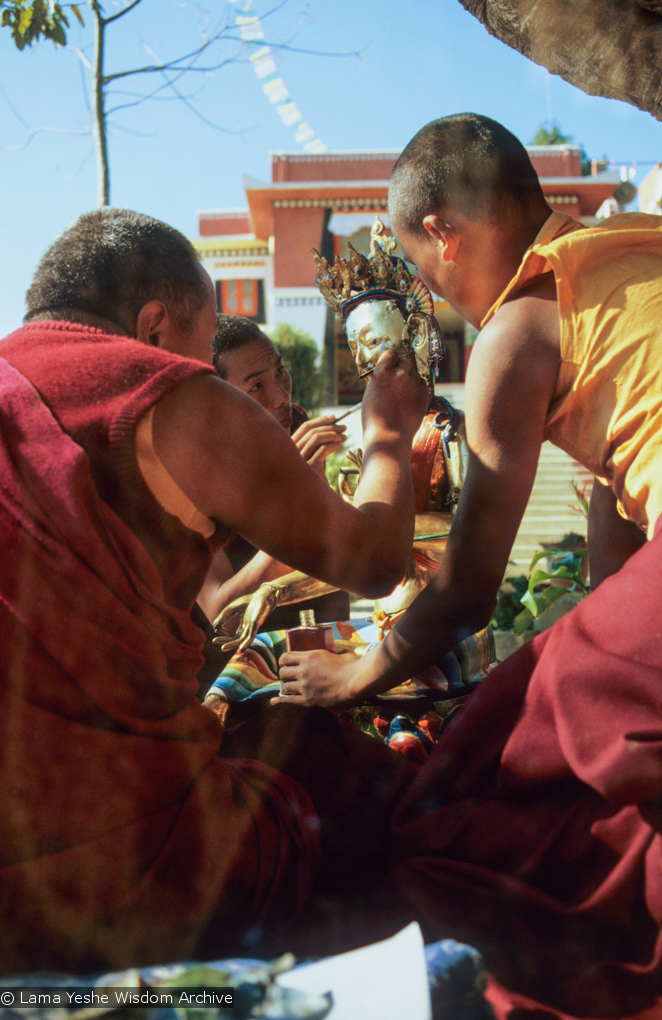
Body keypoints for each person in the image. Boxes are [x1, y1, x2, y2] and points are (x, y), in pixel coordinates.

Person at [273, 114, 662, 1019]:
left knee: (490, 758)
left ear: (444, 231)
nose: (431, 293)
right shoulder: (624, 253)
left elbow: (471, 587)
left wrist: (356, 671)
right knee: (582, 678)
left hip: (427, 591)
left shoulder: (518, 328)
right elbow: (622, 498)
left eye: (419, 267)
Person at [0, 207, 428, 975]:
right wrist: (390, 432)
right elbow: (373, 560)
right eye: (207, 347)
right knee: (368, 794)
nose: (210, 372)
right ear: (156, 326)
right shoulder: (166, 395)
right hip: (113, 860)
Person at [197, 313, 349, 631]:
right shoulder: (194, 478)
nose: (282, 395)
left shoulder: (291, 429)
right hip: (244, 667)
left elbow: (337, 562)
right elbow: (222, 615)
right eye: (256, 386)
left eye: (280, 370)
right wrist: (301, 497)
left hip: (323, 648)